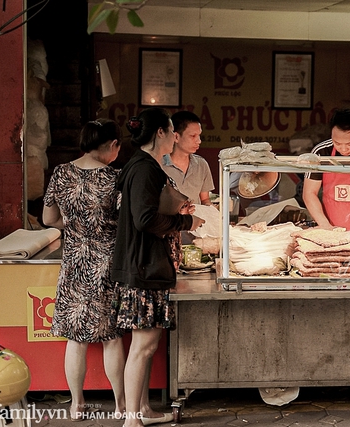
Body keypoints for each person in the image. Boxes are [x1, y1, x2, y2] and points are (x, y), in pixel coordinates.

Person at [111, 107, 203, 427]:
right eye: (171, 130)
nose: (176, 137)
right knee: (143, 345)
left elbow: (148, 207)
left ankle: (144, 409)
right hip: (142, 268)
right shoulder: (144, 168)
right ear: (160, 134)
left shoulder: (144, 166)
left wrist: (177, 205)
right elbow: (145, 218)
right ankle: (131, 420)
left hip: (146, 266)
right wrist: (185, 220)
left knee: (147, 346)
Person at [42, 119, 125, 421]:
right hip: (106, 263)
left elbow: (49, 218)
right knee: (111, 338)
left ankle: (77, 405)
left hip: (74, 262)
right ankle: (121, 407)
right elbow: (128, 222)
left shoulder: (62, 172)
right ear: (113, 146)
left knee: (75, 339)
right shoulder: (116, 177)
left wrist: (76, 228)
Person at [161, 111, 215, 206]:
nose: (199, 141)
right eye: (193, 136)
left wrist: (211, 212)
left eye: (199, 135)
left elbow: (205, 199)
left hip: (195, 220)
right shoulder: (159, 164)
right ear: (176, 137)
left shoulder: (201, 164)